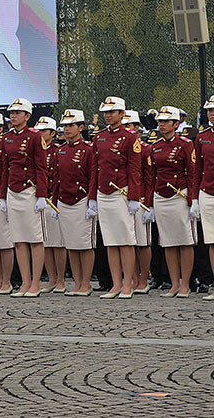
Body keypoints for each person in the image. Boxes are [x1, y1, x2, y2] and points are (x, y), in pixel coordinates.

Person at [89, 96, 142, 299]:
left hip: (121, 191)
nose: (108, 115)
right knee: (110, 240)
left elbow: (134, 169)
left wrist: (134, 196)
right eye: (106, 112)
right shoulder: (99, 137)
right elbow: (95, 168)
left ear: (122, 114)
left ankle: (128, 284)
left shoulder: (129, 137)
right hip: (104, 192)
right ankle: (116, 283)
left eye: (112, 112)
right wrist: (92, 197)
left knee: (125, 240)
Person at [0, 98, 48, 297]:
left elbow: (42, 167)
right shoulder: (7, 137)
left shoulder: (35, 136)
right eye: (12, 113)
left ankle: (35, 283)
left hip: (30, 190)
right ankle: (25, 282)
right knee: (19, 240)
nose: (13, 116)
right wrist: (2, 196)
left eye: (18, 113)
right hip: (13, 190)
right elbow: (5, 168)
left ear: (27, 116)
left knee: (34, 238)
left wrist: (42, 195)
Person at [147, 106, 198, 298]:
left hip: (179, 194)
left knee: (184, 241)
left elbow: (192, 173)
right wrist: (150, 203)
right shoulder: (155, 146)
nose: (161, 125)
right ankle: (174, 283)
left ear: (176, 124)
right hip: (161, 195)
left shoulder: (185, 144)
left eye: (166, 121)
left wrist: (193, 199)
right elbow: (151, 176)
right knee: (167, 242)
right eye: (160, 121)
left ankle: (185, 284)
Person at [51, 109, 96, 296]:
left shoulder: (88, 149)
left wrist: (92, 200)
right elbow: (56, 179)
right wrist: (54, 203)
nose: (67, 129)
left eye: (71, 125)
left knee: (84, 244)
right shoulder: (60, 150)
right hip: (64, 200)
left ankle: (86, 283)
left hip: (81, 199)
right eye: (65, 126)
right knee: (71, 244)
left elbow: (93, 176)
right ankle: (77, 283)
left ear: (81, 127)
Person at [123, 110, 154, 293]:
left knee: (143, 242)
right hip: (123, 197)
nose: (126, 129)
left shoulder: (145, 148)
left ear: (137, 128)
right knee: (128, 242)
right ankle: (133, 278)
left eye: (129, 125)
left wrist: (148, 203)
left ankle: (144, 279)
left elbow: (149, 178)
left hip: (140, 198)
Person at [36, 116, 65, 293]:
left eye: (43, 131)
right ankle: (51, 278)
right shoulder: (35, 149)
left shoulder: (57, 150)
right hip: (38, 199)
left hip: (53, 197)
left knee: (58, 242)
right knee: (45, 242)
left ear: (52, 133)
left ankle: (61, 279)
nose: (40, 134)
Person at [194, 97, 214, 300]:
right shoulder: (202, 137)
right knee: (212, 241)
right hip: (207, 191)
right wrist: (194, 199)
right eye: (209, 110)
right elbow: (197, 170)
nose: (212, 113)